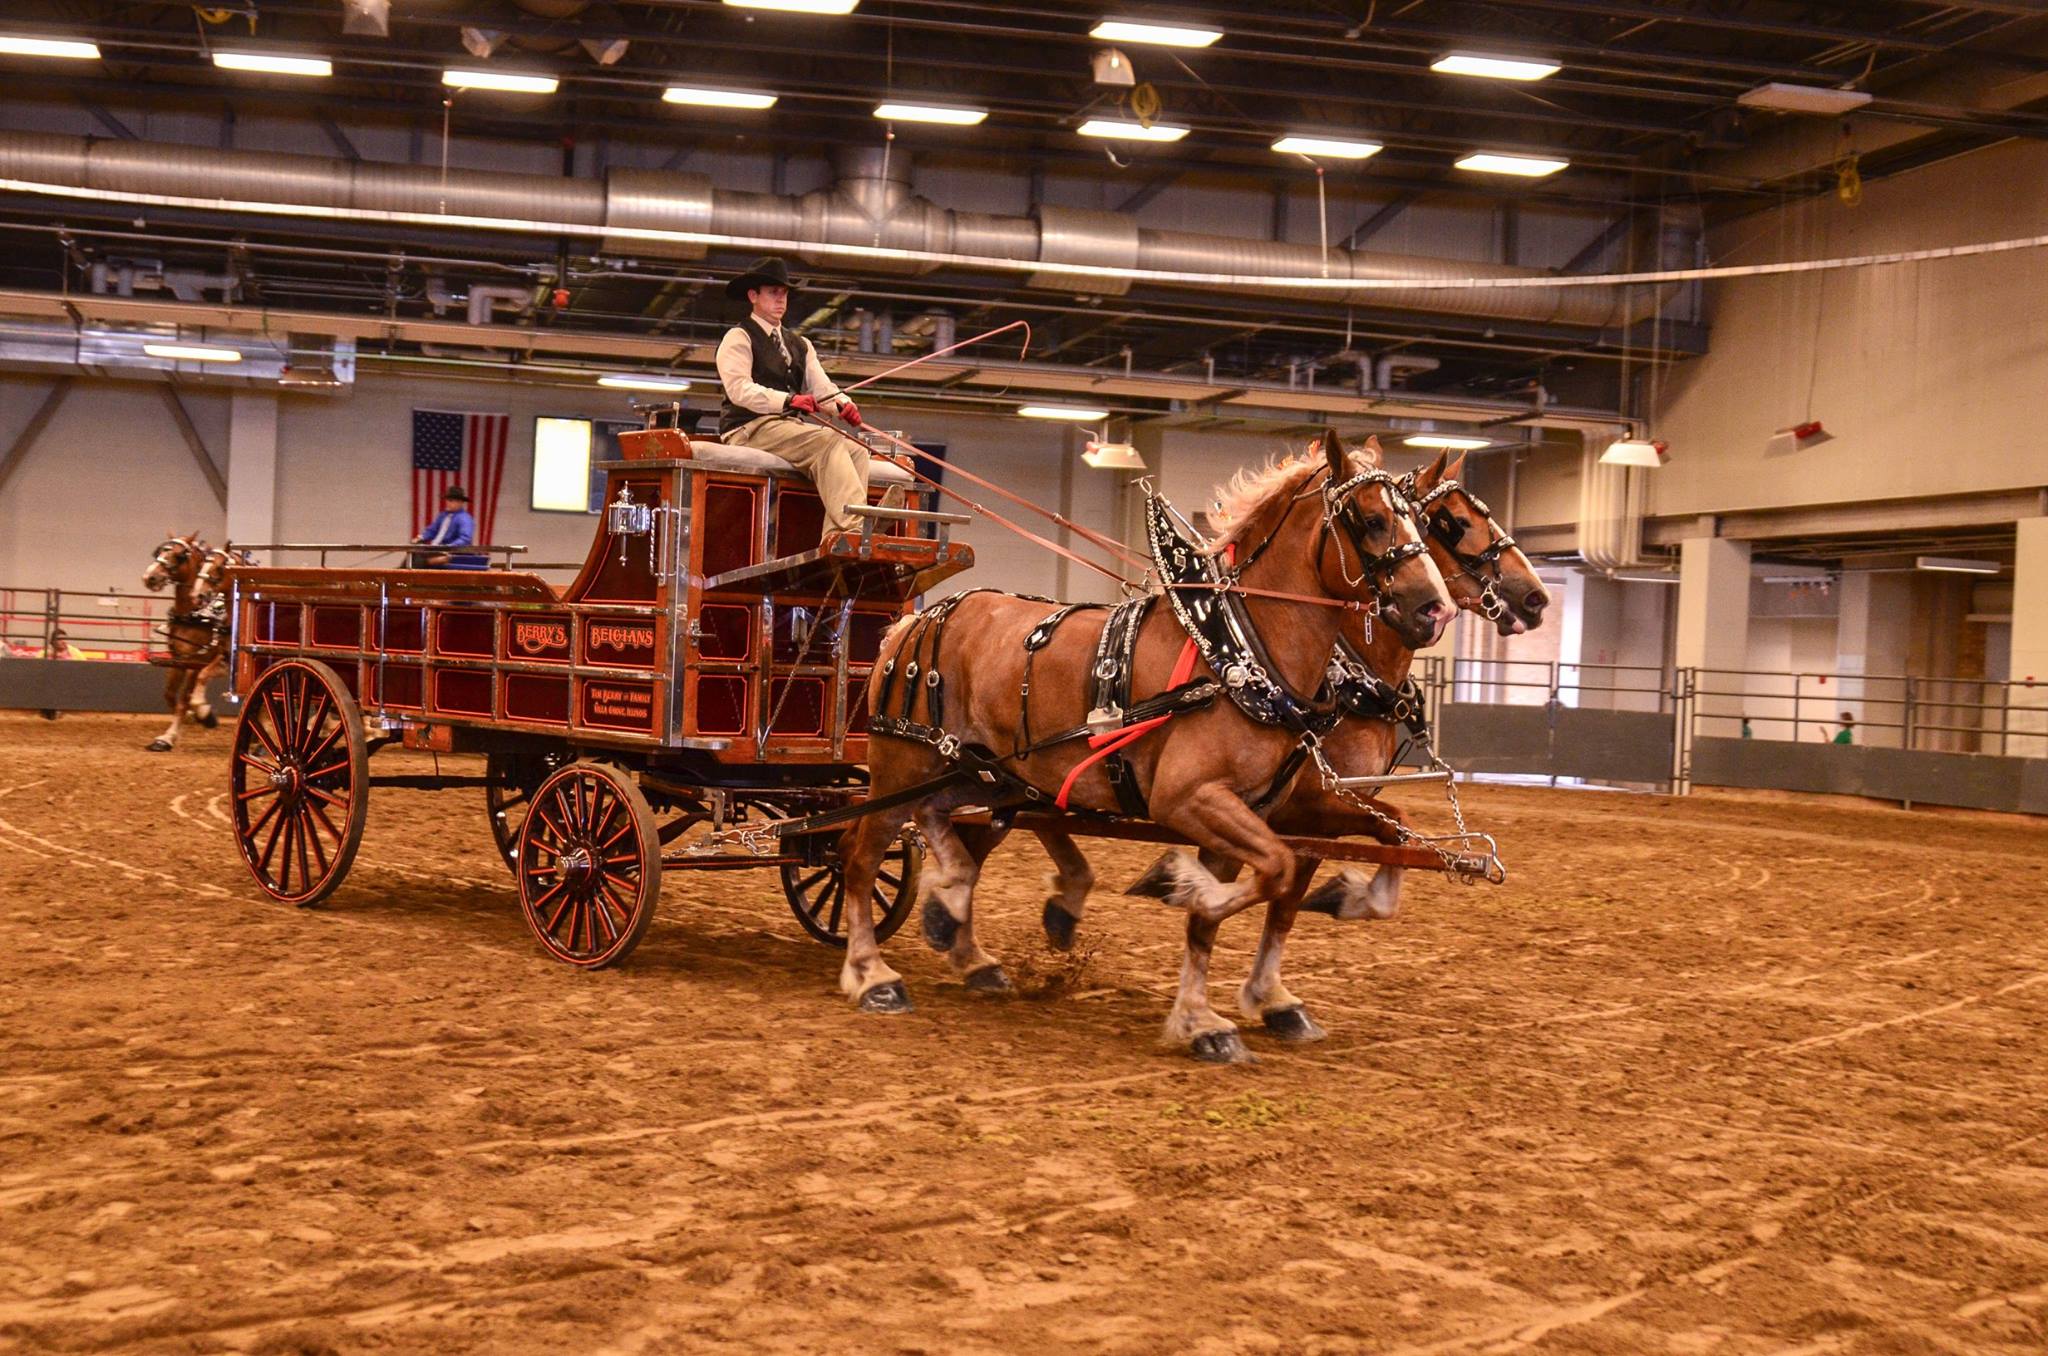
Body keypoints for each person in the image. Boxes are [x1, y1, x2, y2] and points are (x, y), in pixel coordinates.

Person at [714, 256, 871, 541]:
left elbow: (823, 389)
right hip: (748, 429)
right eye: (773, 292)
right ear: (753, 295)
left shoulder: (800, 345)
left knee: (858, 450)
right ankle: (855, 524)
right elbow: (739, 389)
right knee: (829, 441)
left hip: (785, 429)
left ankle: (837, 537)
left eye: (784, 293)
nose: (780, 299)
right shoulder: (738, 337)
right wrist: (787, 401)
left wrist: (843, 405)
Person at [413, 486, 475, 568]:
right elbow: (432, 530)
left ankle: (401, 574)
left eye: (451, 500)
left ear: (460, 502)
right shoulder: (443, 515)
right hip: (436, 548)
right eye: (447, 500)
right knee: (414, 551)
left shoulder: (465, 518)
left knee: (418, 559)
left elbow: (465, 539)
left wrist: (449, 547)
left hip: (452, 551)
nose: (448, 503)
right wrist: (421, 537)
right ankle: (400, 572)